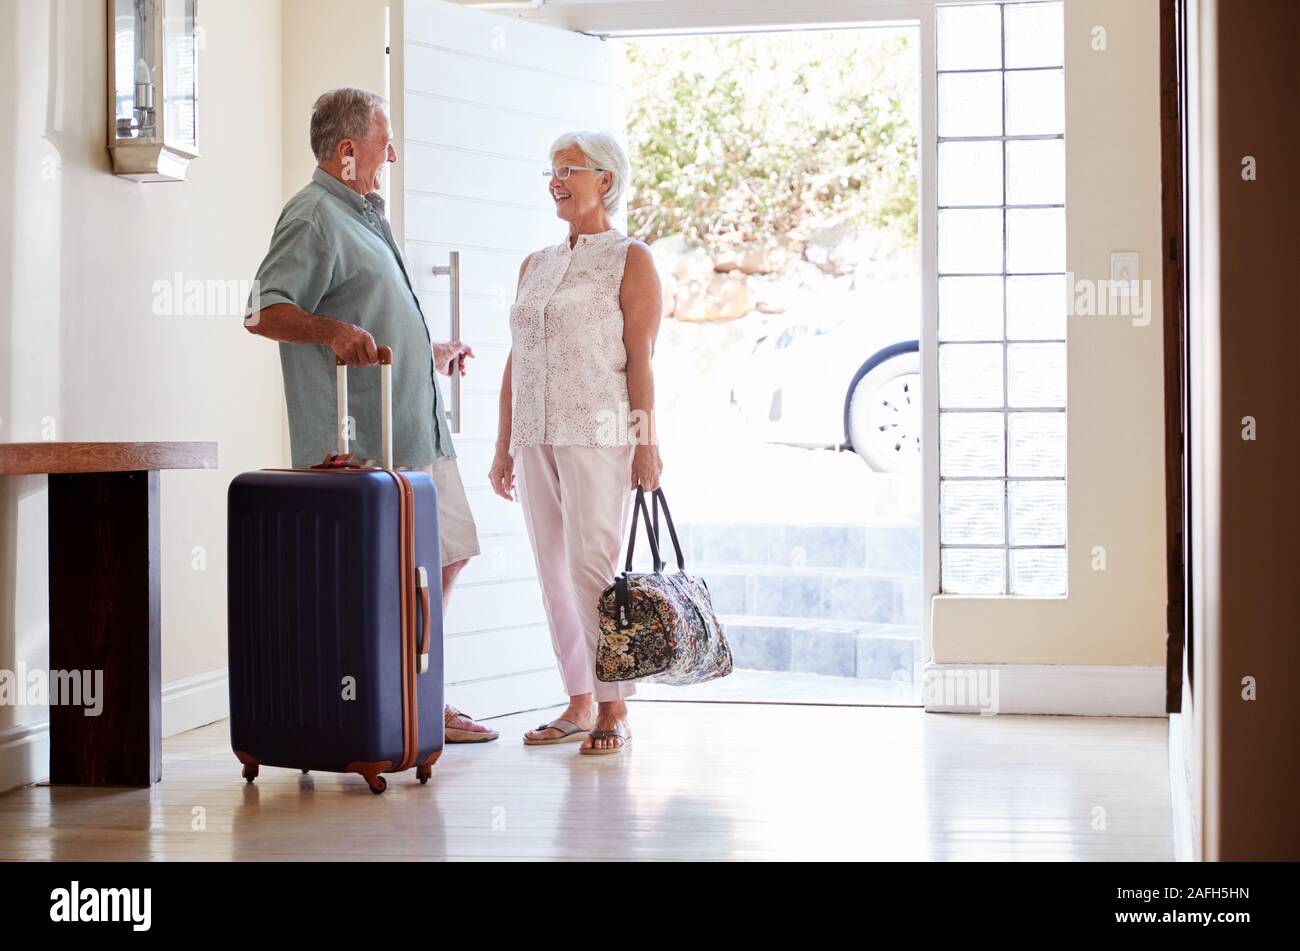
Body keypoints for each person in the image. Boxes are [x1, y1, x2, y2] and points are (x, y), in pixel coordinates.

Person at [245, 87, 496, 743]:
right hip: (367, 441)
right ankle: (393, 704)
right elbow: (265, 311)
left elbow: (372, 310)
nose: (394, 153)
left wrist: (426, 350)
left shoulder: (364, 214)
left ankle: (416, 692)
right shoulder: (313, 216)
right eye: (385, 142)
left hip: (418, 429)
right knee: (387, 576)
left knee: (444, 558)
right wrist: (330, 330)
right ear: (349, 150)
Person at [488, 131, 664, 755]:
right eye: (552, 171)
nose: (556, 181)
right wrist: (504, 441)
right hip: (536, 434)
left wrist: (646, 443)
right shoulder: (534, 264)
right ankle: (579, 699)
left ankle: (614, 703)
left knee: (592, 567)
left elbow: (639, 358)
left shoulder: (629, 258)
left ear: (605, 181)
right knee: (553, 571)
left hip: (599, 431)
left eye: (569, 170)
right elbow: (519, 355)